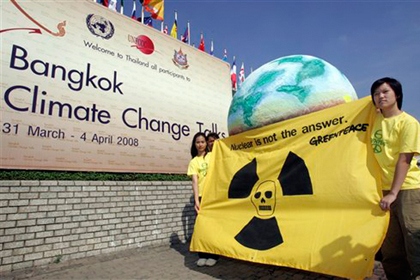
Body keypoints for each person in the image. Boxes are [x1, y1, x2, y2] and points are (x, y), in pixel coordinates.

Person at [370, 77, 420, 280]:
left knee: (414, 240)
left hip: (408, 189)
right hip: (382, 191)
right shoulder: (374, 120)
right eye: (375, 94)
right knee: (390, 247)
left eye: (385, 92)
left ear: (397, 94)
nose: (380, 96)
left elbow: (405, 160)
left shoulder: (408, 123)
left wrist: (393, 193)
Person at [187, 132, 219, 267]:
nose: (200, 144)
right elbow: (195, 181)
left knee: (212, 226)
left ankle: (213, 255)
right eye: (197, 142)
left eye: (202, 142)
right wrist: (196, 201)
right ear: (195, 145)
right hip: (201, 197)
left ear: (206, 143)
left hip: (213, 195)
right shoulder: (193, 161)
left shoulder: (212, 156)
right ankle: (203, 254)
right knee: (201, 226)